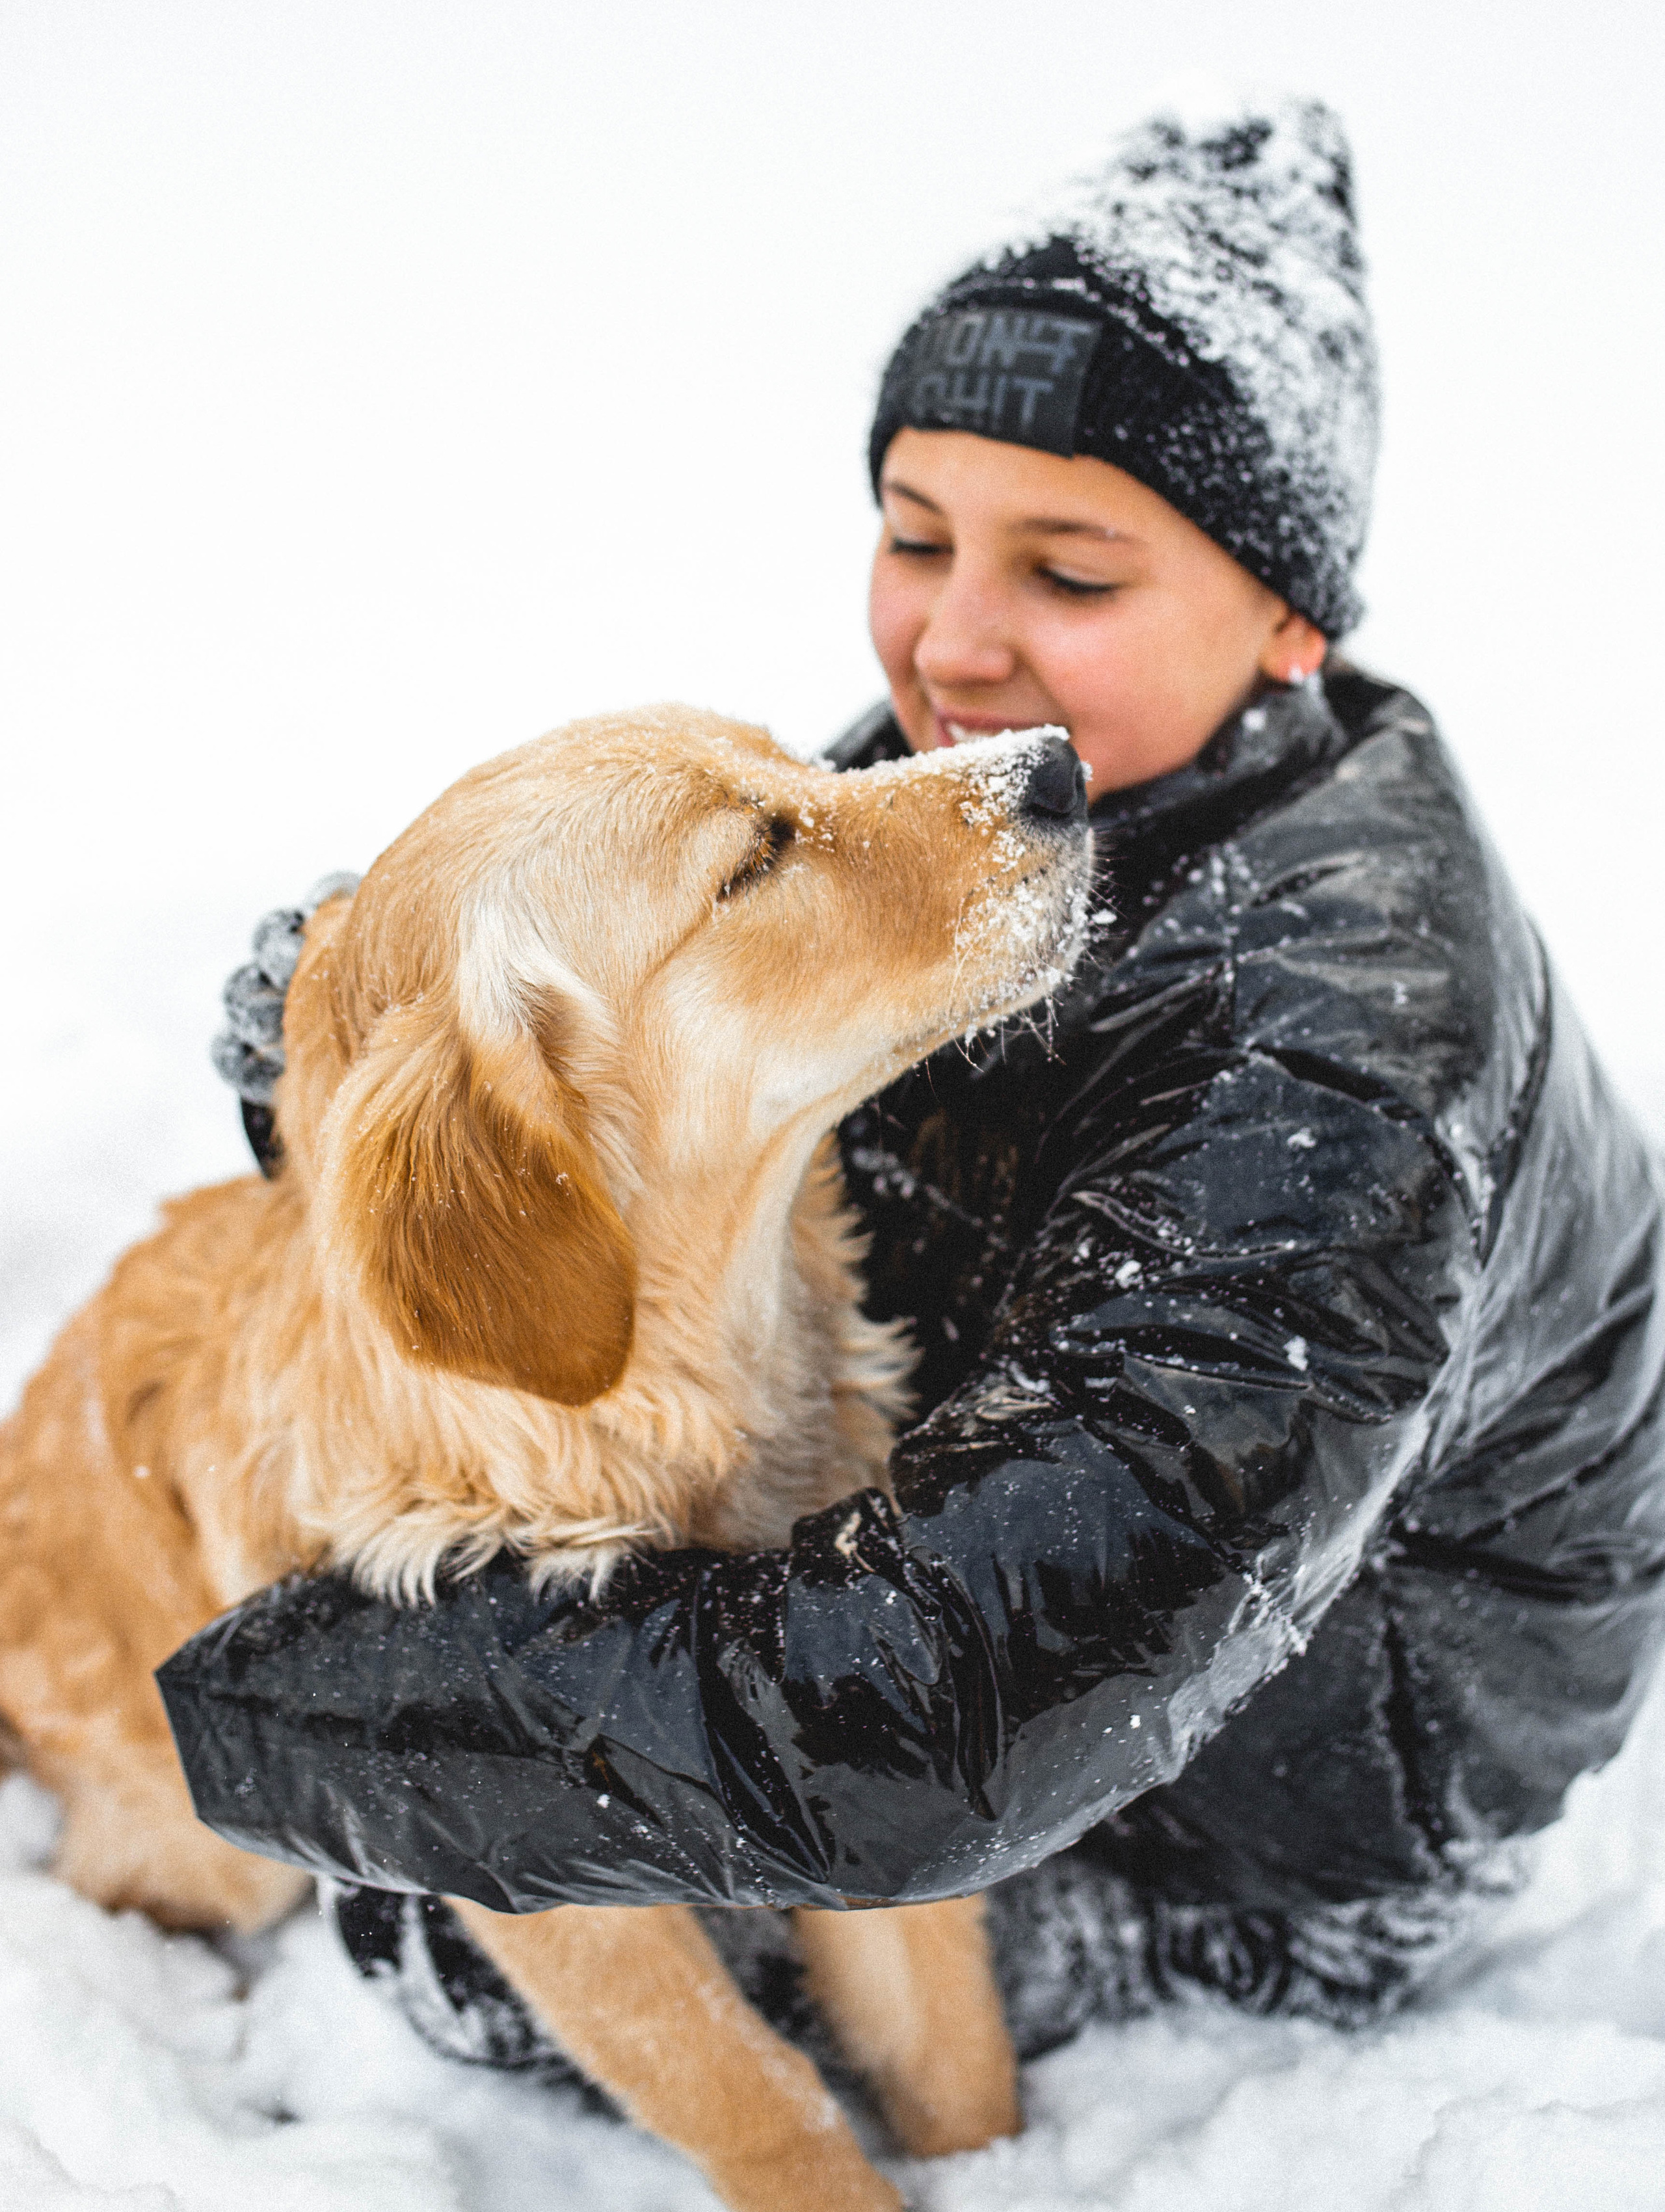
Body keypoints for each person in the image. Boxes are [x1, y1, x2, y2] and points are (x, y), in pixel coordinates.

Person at [171, 96, 1665, 2081]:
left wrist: (314, 1715)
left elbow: (956, 1708)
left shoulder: (1350, 1064)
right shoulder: (1003, 781)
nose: (956, 642)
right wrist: (382, 1055)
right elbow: (671, 1085)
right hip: (1022, 1542)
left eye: (1074, 572)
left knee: (481, 1950)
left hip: (1257, 1796)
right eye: (915, 536)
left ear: (1289, 618)